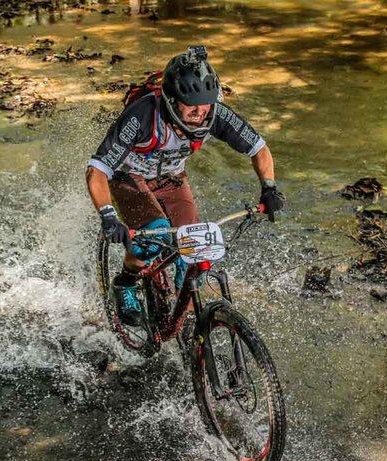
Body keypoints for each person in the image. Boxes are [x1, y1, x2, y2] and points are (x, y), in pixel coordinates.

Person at [85, 46, 285, 326]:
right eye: (191, 106)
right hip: (128, 178)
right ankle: (126, 282)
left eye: (206, 105)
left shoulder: (214, 113)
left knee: (194, 249)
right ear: (170, 100)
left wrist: (269, 188)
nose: (200, 113)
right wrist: (108, 216)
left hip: (172, 178)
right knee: (153, 237)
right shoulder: (141, 116)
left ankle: (188, 329)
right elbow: (97, 170)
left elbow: (259, 148)